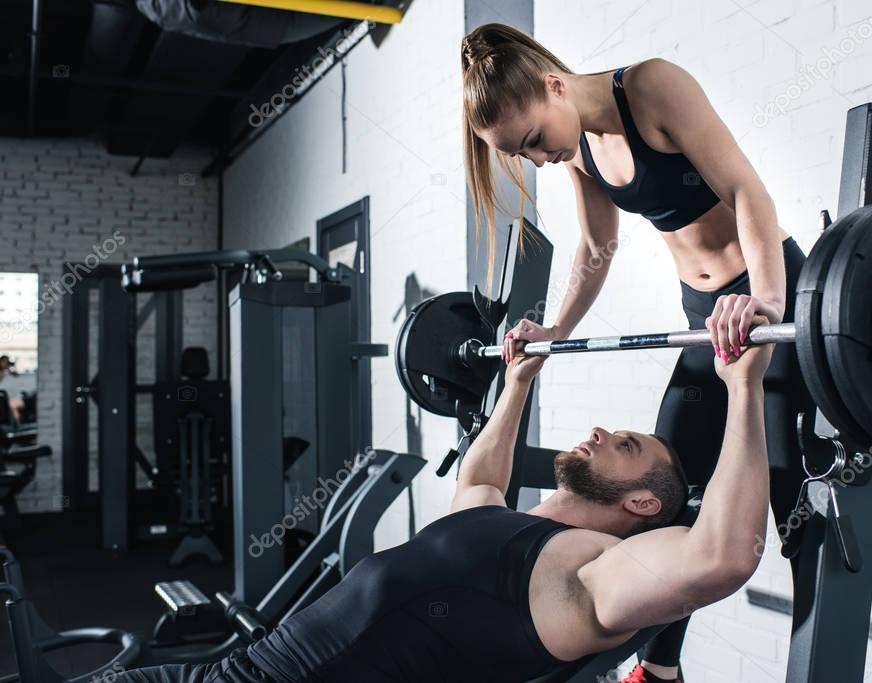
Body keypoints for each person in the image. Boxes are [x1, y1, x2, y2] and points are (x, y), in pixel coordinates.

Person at [117, 324, 774, 682]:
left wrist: (742, 385)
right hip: (234, 668)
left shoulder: (595, 573)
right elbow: (480, 475)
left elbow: (719, 555)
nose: (600, 431)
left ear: (640, 501)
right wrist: (517, 381)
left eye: (624, 443)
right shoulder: (506, 519)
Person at [460, 23, 815, 683]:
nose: (539, 158)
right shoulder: (578, 151)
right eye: (523, 153)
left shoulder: (651, 88)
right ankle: (658, 670)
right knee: (664, 494)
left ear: (554, 85)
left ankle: (819, 656)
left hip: (766, 302)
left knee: (793, 505)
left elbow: (747, 194)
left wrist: (766, 306)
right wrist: (553, 332)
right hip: (702, 318)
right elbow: (595, 249)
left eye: (534, 139)